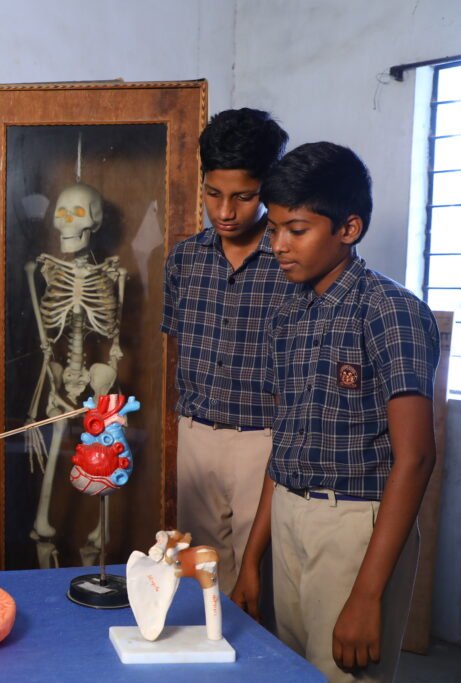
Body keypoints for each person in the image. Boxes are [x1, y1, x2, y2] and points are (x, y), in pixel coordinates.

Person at [232, 142, 439, 682]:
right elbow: (286, 446)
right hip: (290, 517)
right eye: (273, 228)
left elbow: (415, 459)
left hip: (354, 526)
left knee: (343, 674)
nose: (278, 245)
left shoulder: (390, 311)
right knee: (290, 671)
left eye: (296, 230)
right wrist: (252, 559)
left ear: (349, 229)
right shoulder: (289, 312)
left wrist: (367, 595)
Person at [161, 108, 294, 593]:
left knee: (262, 583)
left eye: (243, 197)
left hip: (266, 440)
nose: (224, 211)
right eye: (213, 194)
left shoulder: (290, 264)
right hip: (196, 435)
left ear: (270, 188)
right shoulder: (184, 259)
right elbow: (176, 350)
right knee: (201, 579)